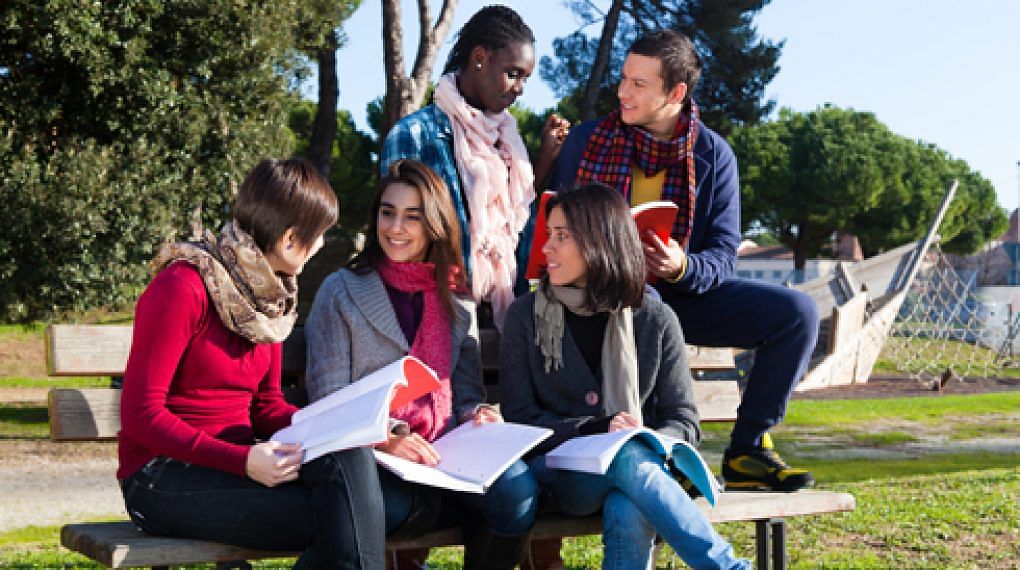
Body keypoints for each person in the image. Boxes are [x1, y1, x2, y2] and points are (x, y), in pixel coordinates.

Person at [550, 29, 818, 492]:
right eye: (623, 78)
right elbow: (550, 228)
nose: (622, 92)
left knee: (797, 313)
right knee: (647, 302)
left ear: (675, 93)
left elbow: (721, 256)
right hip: (593, 300)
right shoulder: (588, 141)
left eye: (639, 84)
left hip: (680, 295)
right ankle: (661, 451)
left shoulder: (713, 155)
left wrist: (682, 266)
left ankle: (747, 449)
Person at [118, 158, 384, 568]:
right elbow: (140, 415)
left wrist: (343, 426)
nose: (320, 247)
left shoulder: (269, 300)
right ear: (291, 240)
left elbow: (267, 408)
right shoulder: (183, 286)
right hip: (162, 476)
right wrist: (241, 460)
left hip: (239, 465)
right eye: (320, 237)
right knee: (342, 519)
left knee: (349, 465)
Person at [499, 183, 750, 569]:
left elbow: (683, 420)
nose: (547, 248)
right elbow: (519, 419)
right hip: (559, 475)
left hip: (640, 475)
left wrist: (648, 439)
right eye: (549, 234)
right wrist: (596, 429)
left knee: (628, 499)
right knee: (625, 455)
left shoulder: (655, 318)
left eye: (561, 236)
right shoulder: (525, 315)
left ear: (601, 241)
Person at [304, 160, 539, 570]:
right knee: (391, 509)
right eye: (387, 212)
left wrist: (478, 414)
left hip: (446, 459)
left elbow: (465, 394)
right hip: (374, 466)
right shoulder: (341, 291)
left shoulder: (455, 300)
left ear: (435, 224)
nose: (395, 228)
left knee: (517, 493)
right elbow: (330, 399)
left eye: (412, 217)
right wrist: (389, 437)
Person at [381, 4, 570, 329]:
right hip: (434, 319)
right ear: (479, 58)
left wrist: (543, 162)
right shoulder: (414, 135)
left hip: (504, 318)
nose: (520, 88)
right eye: (513, 73)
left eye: (525, 78)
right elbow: (399, 235)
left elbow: (513, 224)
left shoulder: (509, 142)